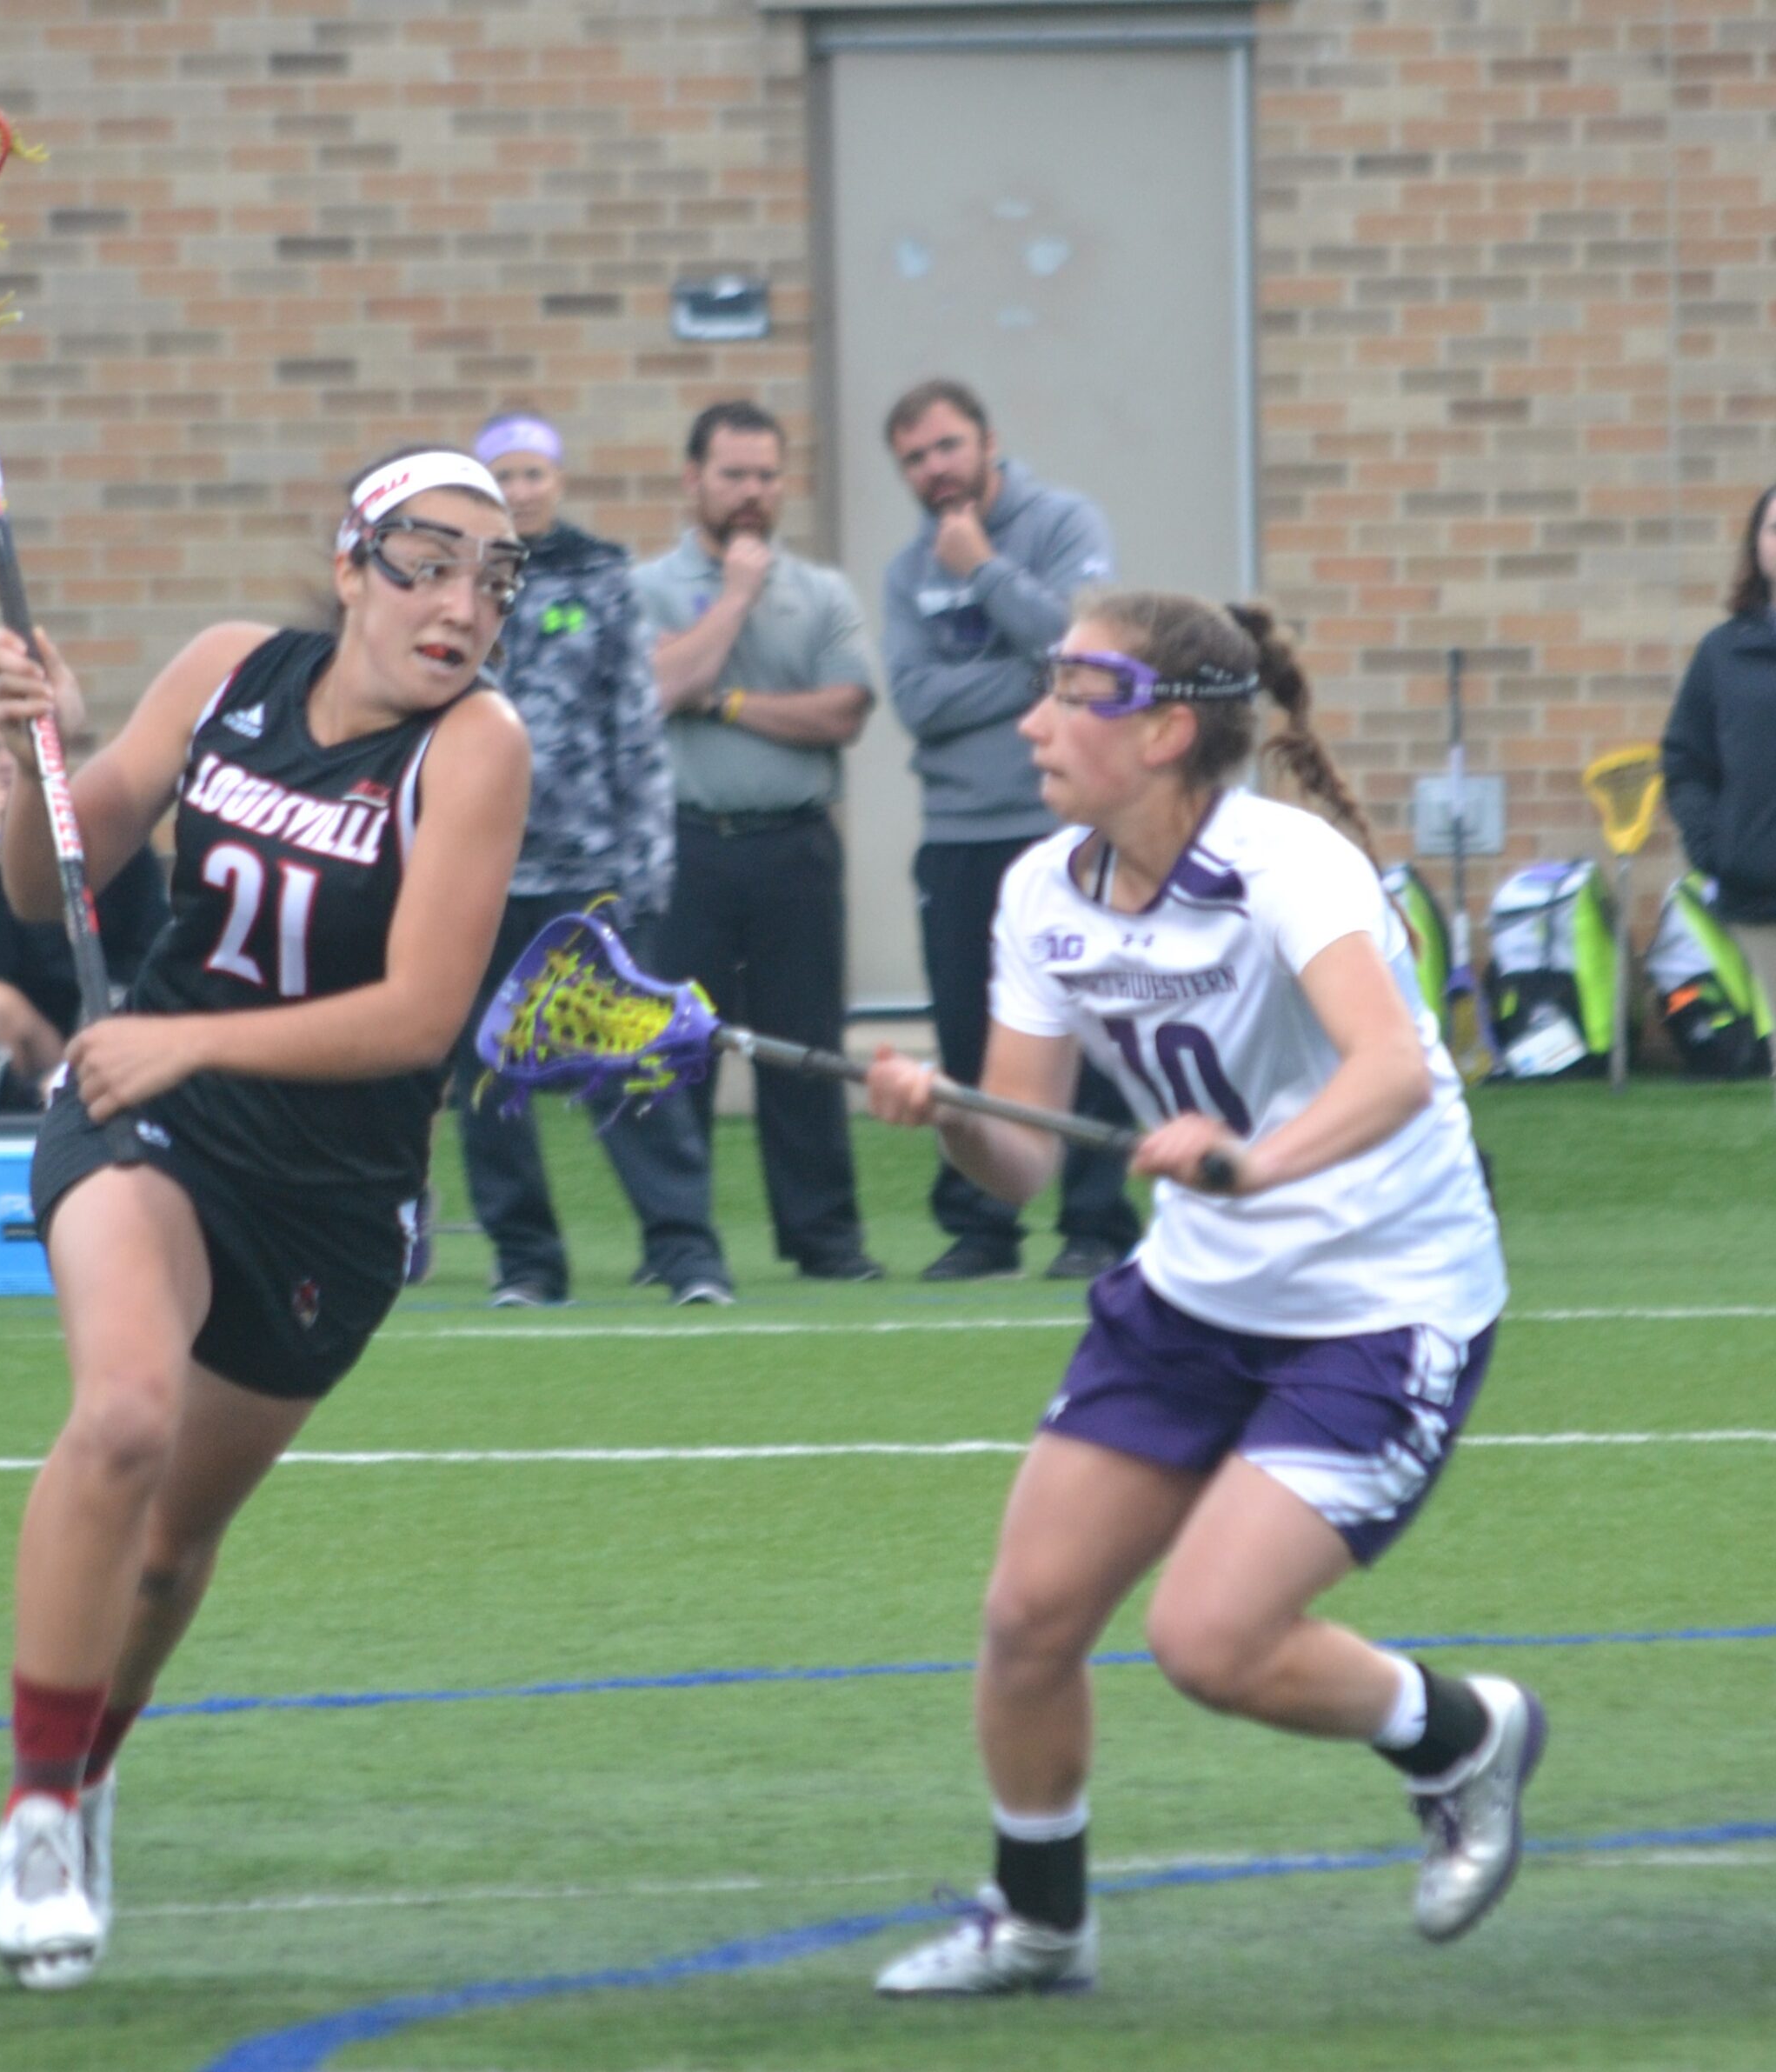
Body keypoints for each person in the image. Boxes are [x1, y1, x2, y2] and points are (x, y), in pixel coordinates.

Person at [863, 590, 1533, 1997]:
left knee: (1210, 1642)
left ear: (1166, 730)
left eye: (1070, 694)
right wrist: (954, 1112)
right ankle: (1041, 1922)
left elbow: (1391, 1069)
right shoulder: (1043, 890)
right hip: (1194, 1296)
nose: (1033, 723)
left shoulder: (1289, 862)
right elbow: (1020, 1162)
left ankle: (1462, 1735)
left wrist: (1254, 1161)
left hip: (1381, 1297)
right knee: (1029, 1617)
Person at [0, 449, 532, 1989]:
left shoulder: (476, 748)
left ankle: (92, 1769)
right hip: (149, 1114)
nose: (463, 603)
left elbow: (418, 1017)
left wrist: (197, 1041)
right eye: (428, 562)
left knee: (170, 1549)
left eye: (494, 578)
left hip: (331, 1189)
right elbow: (44, 886)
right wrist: (38, 756)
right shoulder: (229, 669)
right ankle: (35, 1807)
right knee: (123, 1417)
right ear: (351, 565)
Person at [450, 411, 732, 1307]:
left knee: (630, 1061)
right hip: (478, 877)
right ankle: (526, 1261)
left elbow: (634, 728)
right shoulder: (452, 584)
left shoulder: (601, 578)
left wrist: (646, 868)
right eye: (504, 476)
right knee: (487, 1072)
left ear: (559, 481)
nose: (522, 490)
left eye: (534, 473)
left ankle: (686, 1254)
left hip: (586, 873)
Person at [881, 377, 1140, 1283]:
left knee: (1094, 1025)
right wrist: (1035, 675)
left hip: (1062, 826)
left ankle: (1096, 1223)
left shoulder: (1064, 524)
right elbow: (915, 701)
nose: (934, 468)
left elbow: (1084, 655)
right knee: (967, 1035)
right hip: (957, 833)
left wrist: (984, 569)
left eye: (947, 446)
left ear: (988, 444)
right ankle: (983, 1227)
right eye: (914, 458)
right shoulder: (907, 570)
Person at [634, 399, 884, 1282]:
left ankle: (825, 1240)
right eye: (734, 474)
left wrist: (727, 700)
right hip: (686, 848)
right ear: (692, 479)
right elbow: (661, 687)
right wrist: (735, 597)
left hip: (795, 850)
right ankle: (678, 1243)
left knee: (806, 1048)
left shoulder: (824, 594)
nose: (752, 492)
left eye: (767, 475)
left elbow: (844, 709)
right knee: (675, 1051)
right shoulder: (642, 590)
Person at [0, 697, 169, 1113]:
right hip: (28, 1030)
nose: (5, 763)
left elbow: (147, 948)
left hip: (105, 1015)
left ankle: (72, 1104)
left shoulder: (99, 829)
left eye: (17, 746)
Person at [1660, 478, 1776, 1086]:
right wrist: (1716, 848)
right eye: (1775, 529)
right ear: (1756, 545)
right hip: (1760, 895)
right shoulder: (1723, 654)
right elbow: (1686, 761)